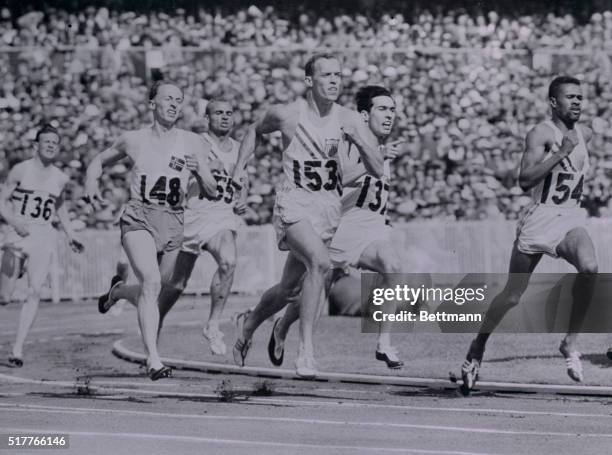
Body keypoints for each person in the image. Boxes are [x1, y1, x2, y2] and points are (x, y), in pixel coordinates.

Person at [231, 53, 383, 377]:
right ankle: (306, 353)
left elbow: (377, 168)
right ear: (310, 81)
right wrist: (239, 168)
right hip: (293, 204)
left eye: (338, 76)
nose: (333, 81)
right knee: (320, 264)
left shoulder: (349, 119)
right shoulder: (287, 114)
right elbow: (254, 131)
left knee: (289, 289)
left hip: (327, 209)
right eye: (326, 75)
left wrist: (358, 138)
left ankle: (249, 324)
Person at [264, 86, 416, 370]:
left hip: (370, 230)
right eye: (382, 109)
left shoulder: (383, 148)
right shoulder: (347, 141)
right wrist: (379, 157)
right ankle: (281, 327)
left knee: (394, 267)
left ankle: (384, 343)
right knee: (309, 291)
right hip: (339, 228)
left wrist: (383, 214)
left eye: (392, 110)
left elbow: (374, 191)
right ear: (363, 114)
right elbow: (340, 178)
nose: (389, 115)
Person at [461, 76, 597, 392]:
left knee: (590, 269)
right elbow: (524, 180)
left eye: (580, 97)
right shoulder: (540, 133)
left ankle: (569, 342)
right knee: (512, 295)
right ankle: (478, 346)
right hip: (540, 218)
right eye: (570, 97)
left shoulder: (585, 133)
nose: (577, 102)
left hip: (569, 218)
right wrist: (560, 154)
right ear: (553, 102)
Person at [86, 81, 216, 381]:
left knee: (157, 288)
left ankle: (117, 291)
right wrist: (91, 181)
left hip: (174, 220)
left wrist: (199, 171)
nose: (174, 104)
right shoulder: (133, 139)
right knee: (152, 281)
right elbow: (98, 160)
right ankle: (153, 359)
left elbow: (210, 189)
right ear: (152, 103)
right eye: (168, 98)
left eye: (179, 100)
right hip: (139, 216)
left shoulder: (194, 142)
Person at [101, 99, 246, 356]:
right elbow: (166, 171)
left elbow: (240, 178)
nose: (224, 118)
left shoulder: (238, 148)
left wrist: (242, 194)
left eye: (229, 113)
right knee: (171, 288)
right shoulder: (192, 142)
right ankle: (127, 304)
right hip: (187, 218)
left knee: (229, 261)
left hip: (220, 219)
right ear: (207, 118)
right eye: (218, 113)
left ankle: (213, 324)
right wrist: (200, 170)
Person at [0, 124, 83, 366]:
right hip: (17, 235)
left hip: (43, 236)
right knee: (4, 297)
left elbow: (61, 208)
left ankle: (17, 349)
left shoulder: (60, 177)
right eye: (46, 141)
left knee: (35, 291)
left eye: (55, 143)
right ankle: (12, 273)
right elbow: (1, 202)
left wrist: (71, 235)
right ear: (36, 145)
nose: (50, 146)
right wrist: (14, 221)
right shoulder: (20, 170)